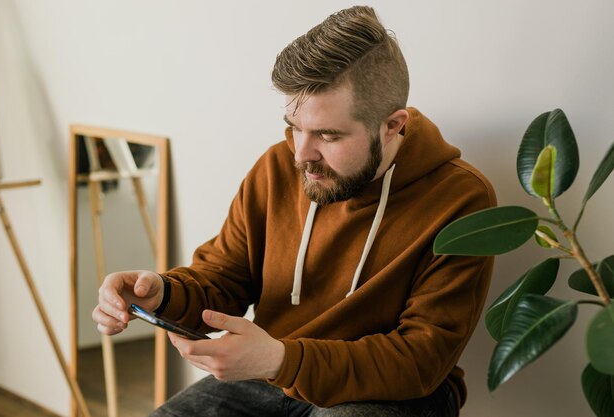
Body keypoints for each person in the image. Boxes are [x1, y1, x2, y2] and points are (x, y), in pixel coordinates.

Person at [93, 5, 496, 417]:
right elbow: (224, 278)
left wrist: (279, 359)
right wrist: (161, 293)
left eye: (328, 134)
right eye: (294, 126)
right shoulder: (277, 167)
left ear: (392, 125)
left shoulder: (461, 199)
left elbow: (420, 359)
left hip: (393, 392)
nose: (302, 154)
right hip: (270, 377)